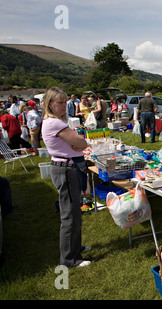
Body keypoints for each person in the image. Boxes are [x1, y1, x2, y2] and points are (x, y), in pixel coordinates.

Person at [41, 87, 91, 268]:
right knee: (70, 215)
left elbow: (76, 143)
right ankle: (70, 259)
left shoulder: (54, 122)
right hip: (66, 169)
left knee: (74, 212)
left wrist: (77, 143)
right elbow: (80, 142)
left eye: (64, 102)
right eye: (59, 103)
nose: (64, 106)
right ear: (50, 104)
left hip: (66, 166)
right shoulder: (55, 123)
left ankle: (75, 248)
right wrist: (79, 143)